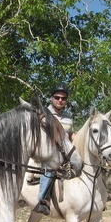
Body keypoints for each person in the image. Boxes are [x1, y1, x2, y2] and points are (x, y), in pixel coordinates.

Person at [34, 85, 75, 215]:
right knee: (51, 166)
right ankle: (42, 200)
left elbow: (70, 135)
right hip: (49, 151)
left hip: (65, 152)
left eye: (63, 98)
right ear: (52, 98)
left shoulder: (69, 116)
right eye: (57, 97)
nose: (60, 100)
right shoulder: (45, 113)